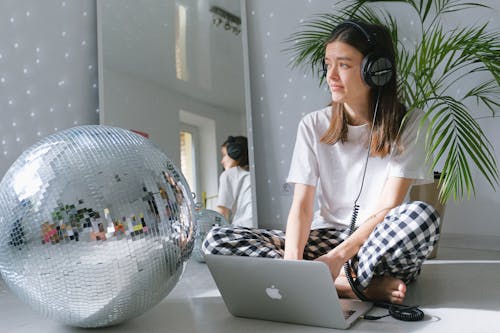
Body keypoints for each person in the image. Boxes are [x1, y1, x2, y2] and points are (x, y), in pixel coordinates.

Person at [203, 20, 439, 305]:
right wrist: (292, 266)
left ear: (376, 71)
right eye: (328, 64)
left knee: (421, 217)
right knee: (216, 240)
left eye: (344, 65)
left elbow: (389, 207)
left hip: (375, 241)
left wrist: (336, 258)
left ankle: (337, 277)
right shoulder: (312, 125)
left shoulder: (410, 123)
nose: (331, 76)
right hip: (326, 236)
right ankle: (355, 286)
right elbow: (302, 206)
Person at [215, 136, 255, 228]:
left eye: (224, 155)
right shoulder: (254, 176)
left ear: (235, 152)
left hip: (242, 229)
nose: (222, 161)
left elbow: (221, 212)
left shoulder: (228, 174)